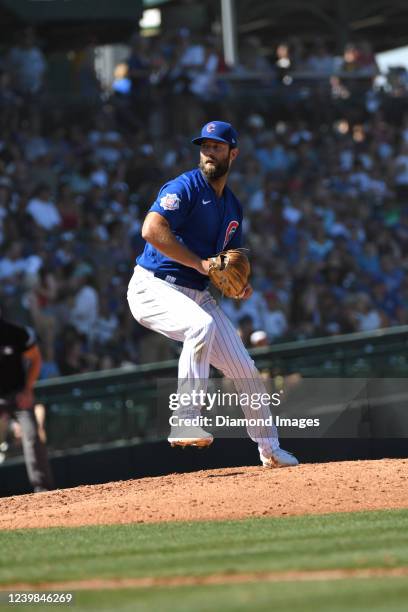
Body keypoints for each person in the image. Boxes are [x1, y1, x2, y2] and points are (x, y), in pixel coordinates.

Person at [127, 120, 298, 468]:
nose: (208, 152)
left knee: (245, 369)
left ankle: (270, 450)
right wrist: (200, 264)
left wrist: (236, 282)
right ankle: (184, 418)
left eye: (217, 146)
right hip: (152, 285)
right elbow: (151, 229)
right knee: (200, 327)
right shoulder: (185, 186)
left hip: (195, 294)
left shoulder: (232, 206)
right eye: (204, 146)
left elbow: (228, 261)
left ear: (232, 153)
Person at [0, 307, 54, 492]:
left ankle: (42, 490)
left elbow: (36, 359)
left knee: (31, 435)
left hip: (18, 396)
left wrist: (27, 390)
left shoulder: (15, 333)